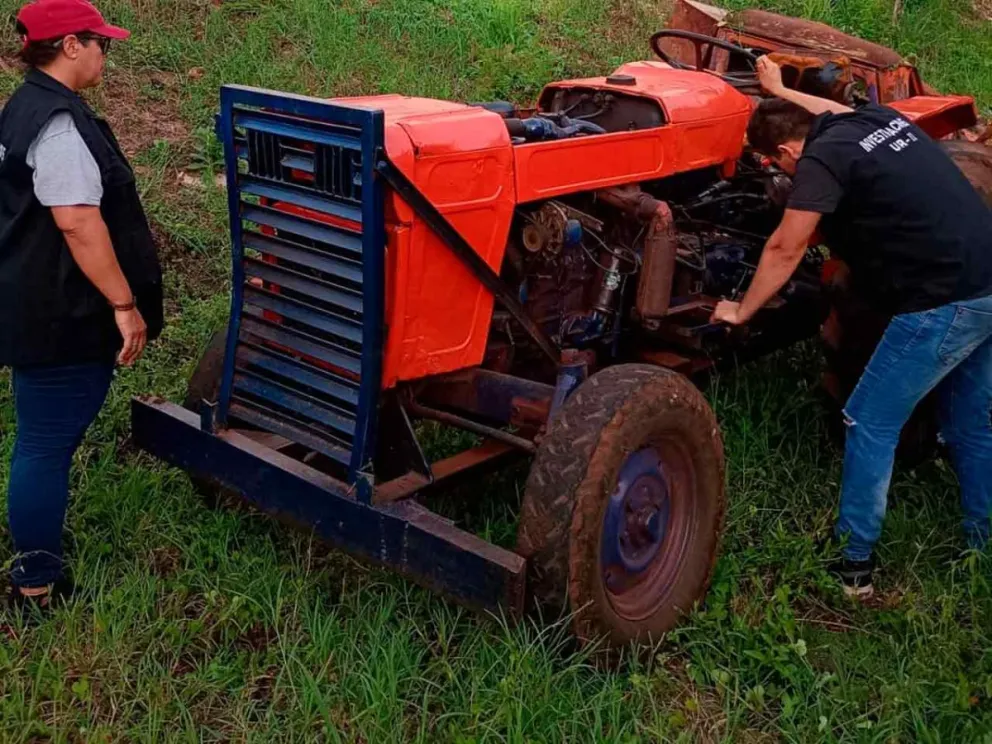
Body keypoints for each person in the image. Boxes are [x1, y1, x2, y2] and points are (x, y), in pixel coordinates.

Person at [712, 57, 992, 598]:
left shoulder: (818, 160)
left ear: (788, 153)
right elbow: (826, 107)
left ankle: (854, 565)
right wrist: (776, 90)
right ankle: (980, 547)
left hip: (947, 299)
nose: (782, 172)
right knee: (968, 423)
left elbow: (786, 246)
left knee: (869, 421)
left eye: (776, 165)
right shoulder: (860, 122)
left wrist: (740, 310)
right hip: (988, 279)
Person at [0, 0, 163, 614]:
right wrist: (124, 305)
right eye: (101, 43)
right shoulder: (59, 125)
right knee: (44, 442)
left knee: (40, 435)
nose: (104, 54)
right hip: (59, 313)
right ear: (70, 45)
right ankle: (36, 585)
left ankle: (35, 558)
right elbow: (77, 223)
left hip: (30, 300)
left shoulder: (24, 106)